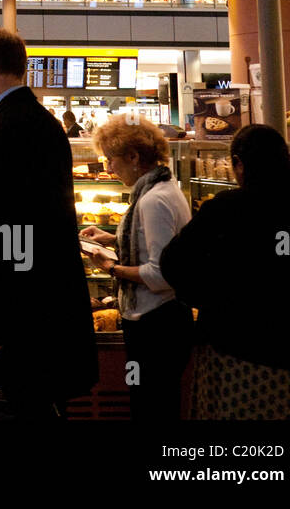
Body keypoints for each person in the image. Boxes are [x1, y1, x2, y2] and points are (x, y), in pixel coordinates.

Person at [0, 28, 97, 417]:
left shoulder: (8, 130)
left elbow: (3, 231)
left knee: (25, 406)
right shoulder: (40, 123)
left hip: (22, 318)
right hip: (44, 310)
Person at [160, 125, 290, 419]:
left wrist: (210, 299)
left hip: (237, 356)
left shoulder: (225, 209)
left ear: (239, 163)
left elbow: (174, 264)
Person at [81, 116, 192, 420]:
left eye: (111, 158)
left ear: (133, 157)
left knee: (151, 408)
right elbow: (155, 249)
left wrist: (111, 268)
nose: (108, 167)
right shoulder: (163, 189)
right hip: (165, 321)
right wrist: (112, 238)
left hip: (156, 325)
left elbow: (160, 274)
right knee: (157, 404)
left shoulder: (153, 201)